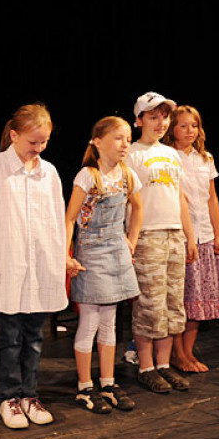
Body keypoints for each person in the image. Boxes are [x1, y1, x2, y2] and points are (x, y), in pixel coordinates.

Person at [0, 103, 68, 429]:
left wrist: (63, 255)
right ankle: (9, 397)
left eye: (44, 142)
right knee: (10, 336)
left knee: (35, 336)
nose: (38, 149)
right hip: (8, 267)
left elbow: (57, 221)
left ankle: (30, 394)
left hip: (39, 268)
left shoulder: (48, 172)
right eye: (32, 142)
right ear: (14, 135)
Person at [65, 116, 144, 414]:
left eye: (127, 138)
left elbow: (138, 208)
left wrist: (132, 239)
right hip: (91, 253)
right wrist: (67, 254)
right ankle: (85, 386)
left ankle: (108, 382)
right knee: (89, 323)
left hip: (115, 250)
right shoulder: (89, 176)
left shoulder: (127, 175)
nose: (125, 144)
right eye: (118, 138)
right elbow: (70, 217)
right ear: (97, 141)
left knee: (110, 321)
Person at [125, 92, 198, 394]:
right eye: (153, 117)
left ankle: (164, 365)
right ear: (139, 120)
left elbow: (180, 197)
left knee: (170, 305)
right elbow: (127, 199)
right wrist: (128, 240)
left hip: (173, 236)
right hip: (147, 236)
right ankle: (146, 367)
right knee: (149, 305)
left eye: (164, 117)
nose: (160, 122)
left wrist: (189, 235)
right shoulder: (131, 153)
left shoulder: (171, 154)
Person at [163, 105, 219, 372]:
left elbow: (211, 198)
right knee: (182, 301)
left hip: (205, 236)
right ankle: (177, 354)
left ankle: (187, 353)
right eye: (183, 125)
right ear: (172, 129)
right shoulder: (168, 157)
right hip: (181, 236)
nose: (190, 130)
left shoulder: (205, 158)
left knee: (198, 303)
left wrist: (218, 234)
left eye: (194, 125)